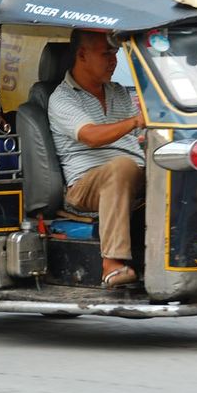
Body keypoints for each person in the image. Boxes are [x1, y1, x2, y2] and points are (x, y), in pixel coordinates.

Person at [48, 30, 145, 288]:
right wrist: (135, 121)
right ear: (81, 55)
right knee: (122, 167)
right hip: (85, 186)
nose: (113, 60)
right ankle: (111, 263)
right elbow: (90, 136)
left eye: (115, 53)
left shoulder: (119, 93)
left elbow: (141, 131)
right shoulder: (62, 98)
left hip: (132, 173)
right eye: (106, 54)